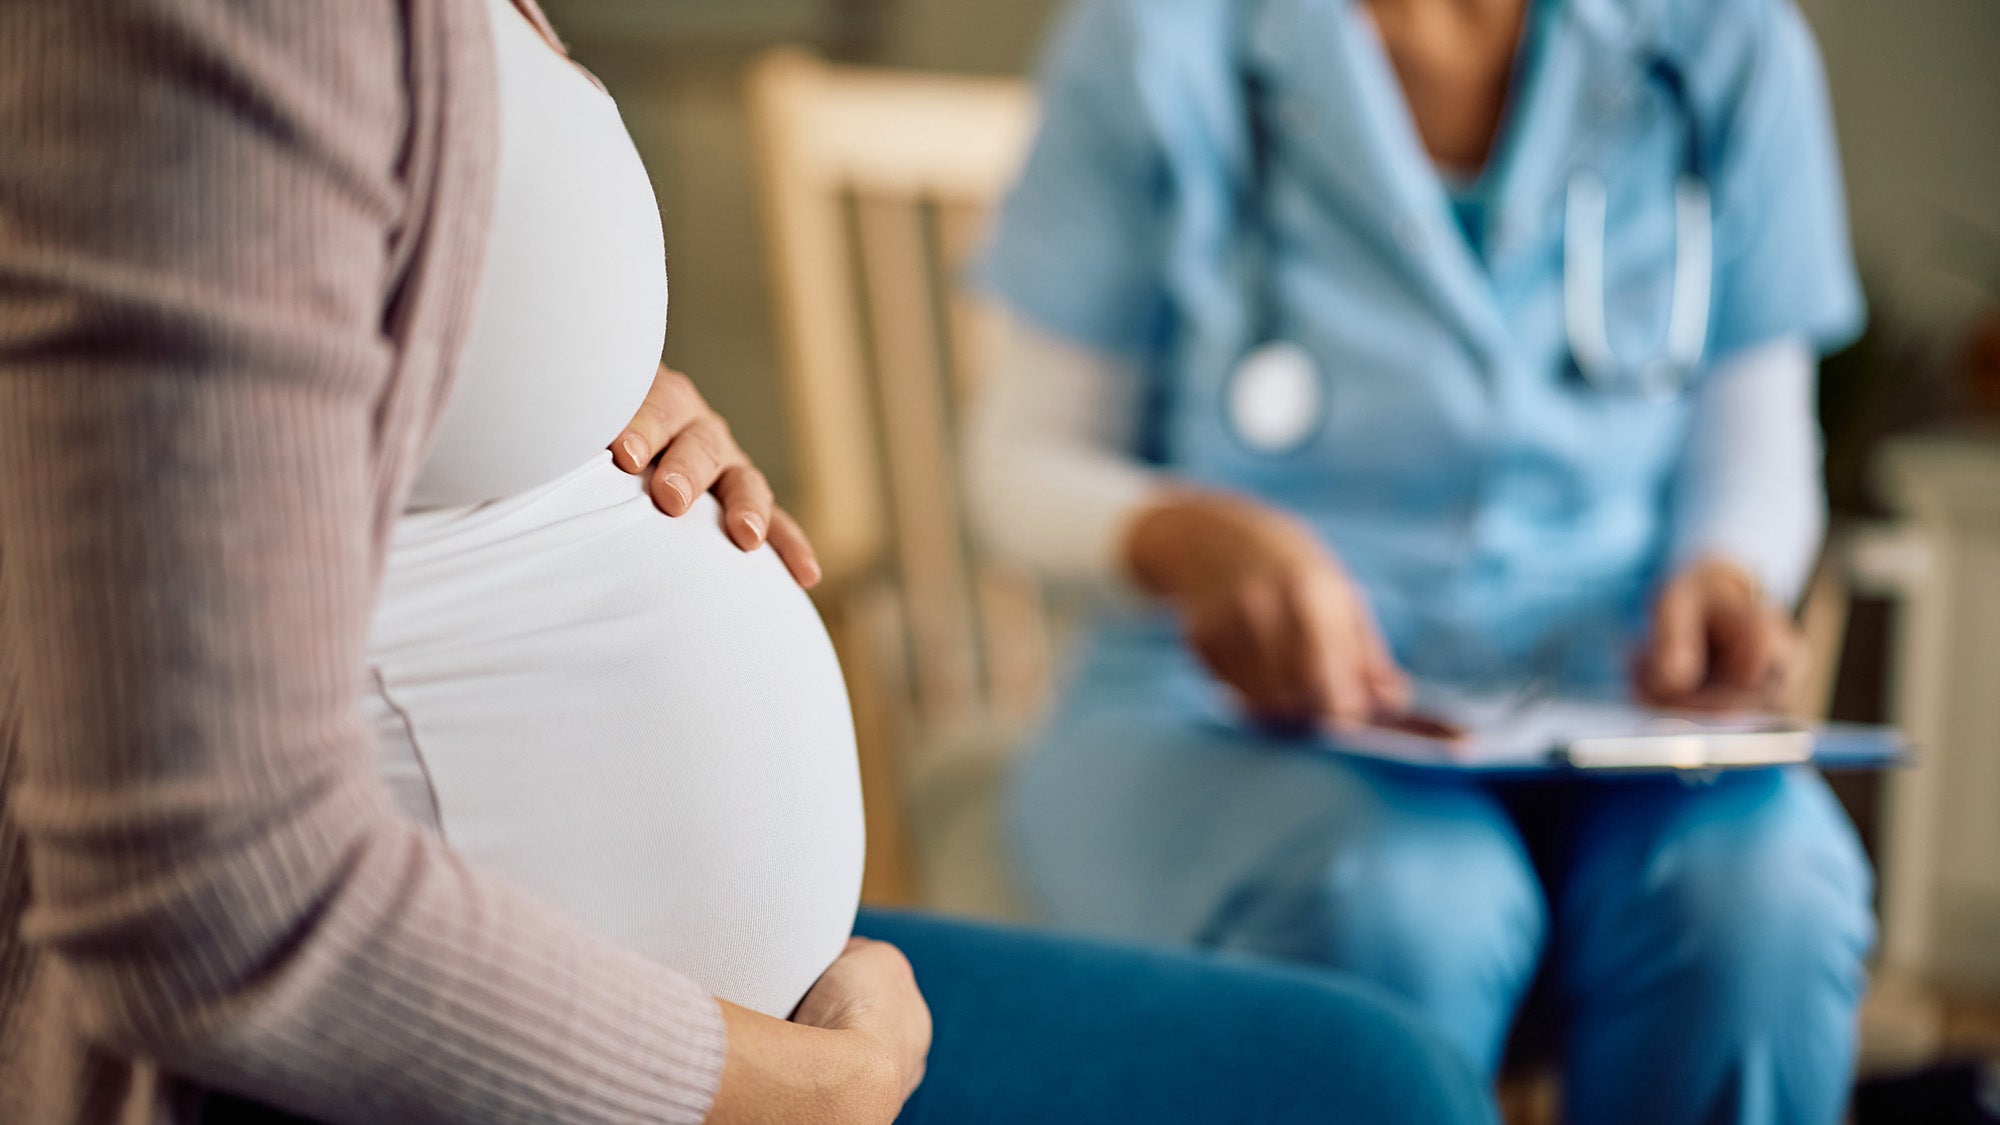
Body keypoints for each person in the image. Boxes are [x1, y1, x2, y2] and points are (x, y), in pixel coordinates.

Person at [0, 2, 1497, 1123]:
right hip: (432, 1043)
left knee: (1373, 1073)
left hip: (729, 1012)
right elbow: (202, 896)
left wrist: (576, 390)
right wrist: (793, 1086)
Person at [966, 0, 1877, 1121]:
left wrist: (1727, 573)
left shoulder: (1724, 45)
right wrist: (1182, 537)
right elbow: (1020, 464)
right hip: (1207, 712)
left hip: (1611, 709)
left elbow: (1755, 445)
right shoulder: (1158, 38)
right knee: (1405, 899)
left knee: (1766, 896)